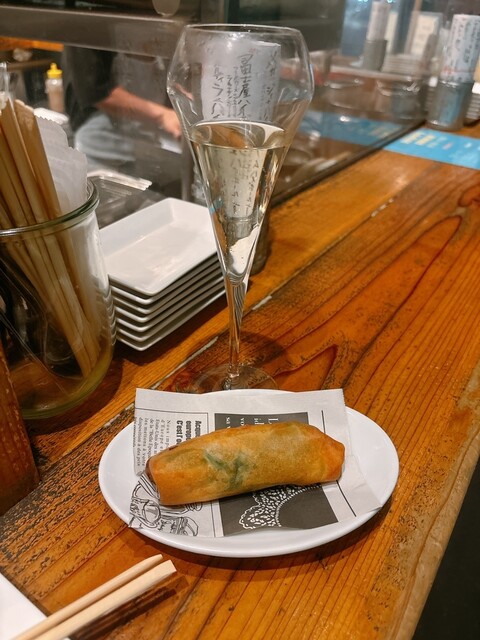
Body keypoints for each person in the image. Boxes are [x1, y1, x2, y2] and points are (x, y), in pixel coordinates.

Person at [62, 47, 181, 171]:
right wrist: (161, 116)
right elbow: (96, 93)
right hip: (100, 151)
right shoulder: (88, 38)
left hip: (145, 147)